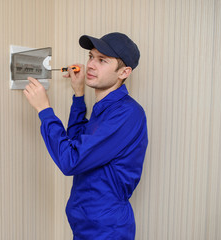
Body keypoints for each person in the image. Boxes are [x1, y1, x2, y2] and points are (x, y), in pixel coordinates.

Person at [23, 32, 148, 240]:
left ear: (124, 72)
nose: (90, 65)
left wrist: (44, 110)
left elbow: (70, 161)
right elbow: (76, 144)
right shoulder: (106, 109)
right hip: (85, 226)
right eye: (91, 57)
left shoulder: (127, 114)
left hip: (107, 231)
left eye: (102, 60)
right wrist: (79, 95)